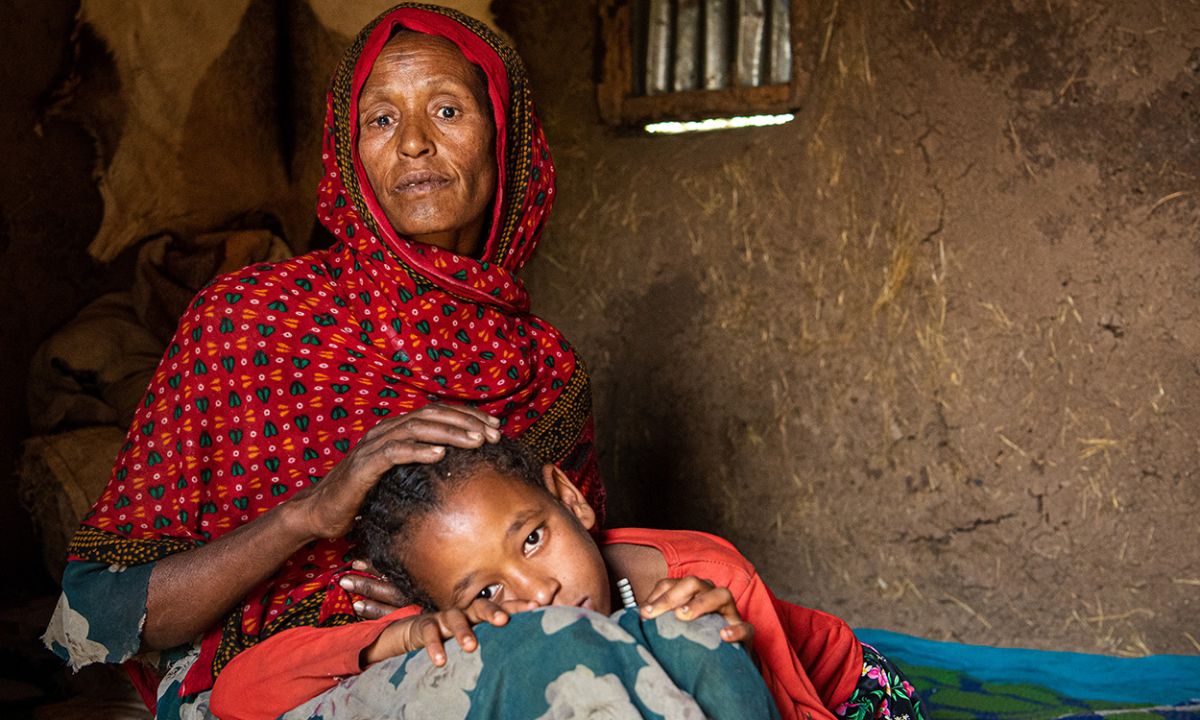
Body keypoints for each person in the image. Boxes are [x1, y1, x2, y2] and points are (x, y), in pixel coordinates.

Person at [43, 6, 602, 718]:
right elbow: (92, 619)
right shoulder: (249, 321)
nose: (416, 145)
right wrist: (307, 515)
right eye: (381, 120)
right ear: (349, 153)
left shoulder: (547, 372)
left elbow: (574, 580)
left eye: (448, 109)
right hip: (264, 688)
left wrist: (445, 586)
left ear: (509, 137)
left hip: (479, 648)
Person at [210, 439, 927, 720]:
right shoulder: (445, 628)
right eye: (485, 594)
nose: (536, 591)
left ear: (571, 499)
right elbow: (238, 696)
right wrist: (394, 639)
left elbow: (797, 708)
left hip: (845, 690)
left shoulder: (700, 576)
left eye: (532, 538)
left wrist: (727, 637)